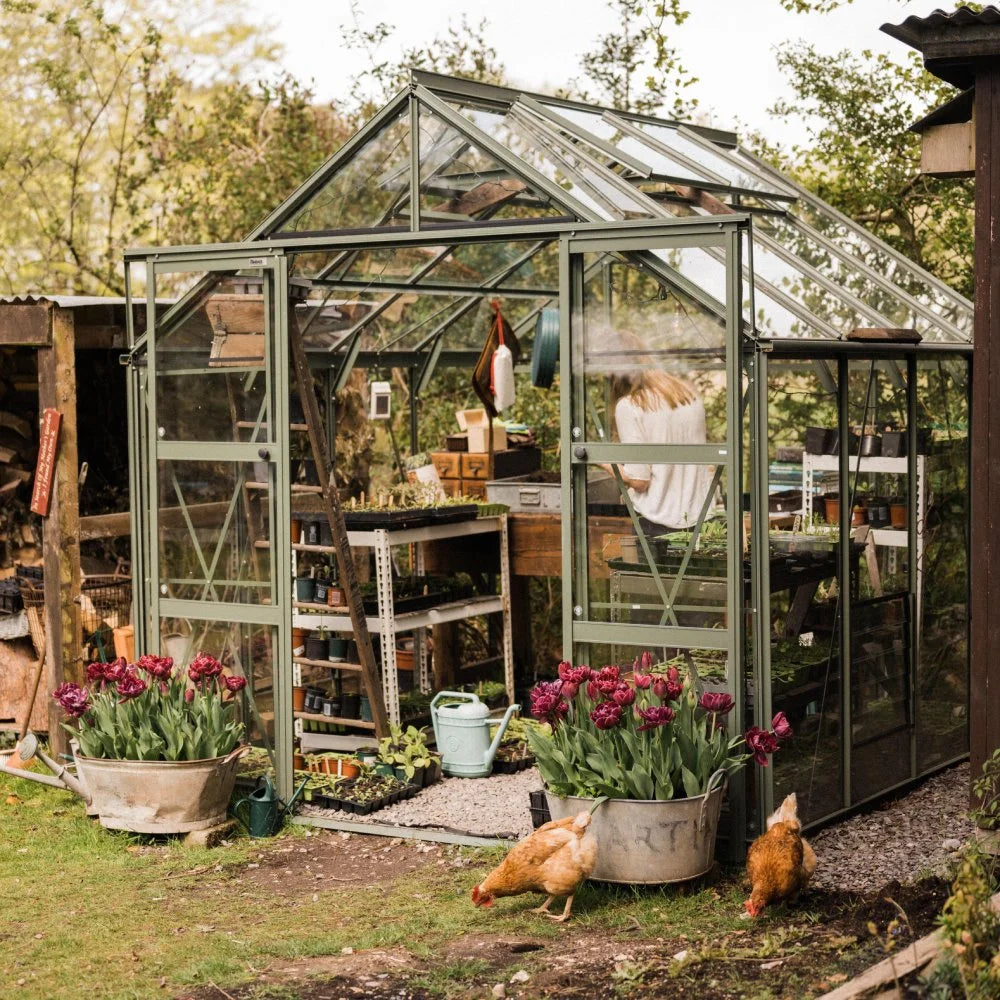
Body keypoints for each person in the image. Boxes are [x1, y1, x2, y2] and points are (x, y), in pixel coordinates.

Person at [607, 367, 714, 538]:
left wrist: (600, 461)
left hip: (657, 522)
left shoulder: (630, 405)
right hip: (701, 516)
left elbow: (639, 480)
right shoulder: (689, 397)